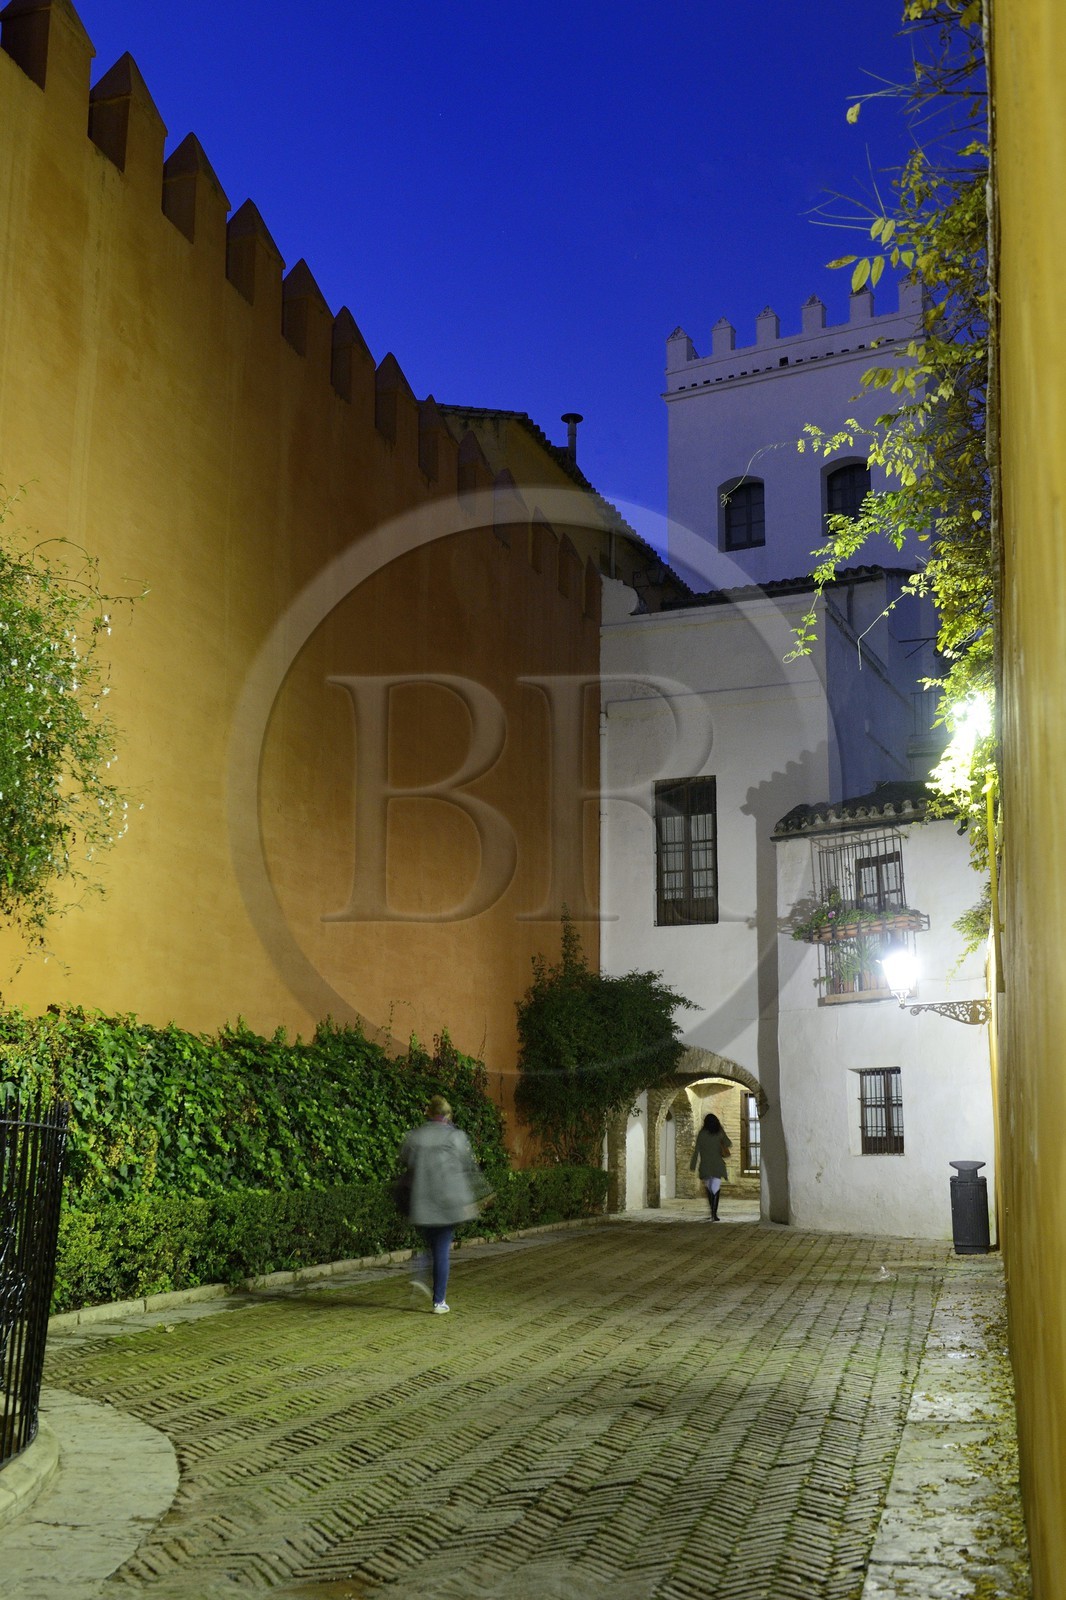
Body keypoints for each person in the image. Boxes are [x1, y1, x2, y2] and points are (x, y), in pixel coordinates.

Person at [397, 1095, 486, 1313]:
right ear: (447, 1115)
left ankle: (420, 1275)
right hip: (449, 1203)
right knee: (441, 1249)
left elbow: (404, 1161)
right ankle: (439, 1301)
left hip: (421, 1202)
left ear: (429, 1113)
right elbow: (469, 1168)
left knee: (430, 1244)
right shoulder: (456, 1137)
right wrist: (481, 1193)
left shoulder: (415, 1136)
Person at [689, 1112, 732, 1221]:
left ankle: (712, 1212)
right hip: (717, 1165)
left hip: (706, 1165)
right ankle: (714, 1214)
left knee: (709, 1188)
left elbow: (696, 1150)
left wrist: (693, 1165)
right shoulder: (719, 1132)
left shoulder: (702, 1134)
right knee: (716, 1188)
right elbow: (728, 1143)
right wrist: (721, 1132)